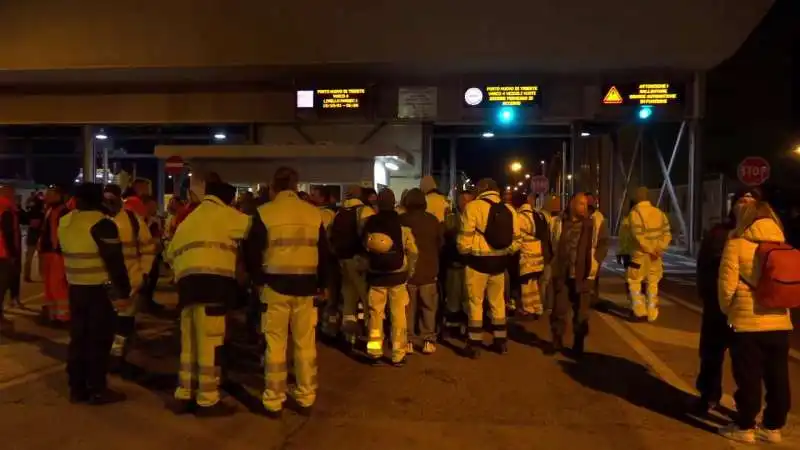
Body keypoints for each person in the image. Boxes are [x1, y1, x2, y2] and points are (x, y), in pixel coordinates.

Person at [243, 167, 330, 418]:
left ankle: (273, 399)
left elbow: (252, 252)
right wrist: (322, 284)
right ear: (296, 185)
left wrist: (258, 281)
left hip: (274, 287)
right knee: (305, 344)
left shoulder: (265, 213)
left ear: (273, 186)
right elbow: (324, 253)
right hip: (306, 289)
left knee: (275, 345)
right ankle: (306, 395)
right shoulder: (313, 214)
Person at [165, 181, 251, 417]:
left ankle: (184, 393)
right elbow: (254, 233)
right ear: (229, 199)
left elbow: (169, 254)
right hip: (214, 287)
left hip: (186, 289)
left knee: (189, 345)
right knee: (210, 345)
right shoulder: (229, 216)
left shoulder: (189, 220)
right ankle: (208, 399)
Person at [718, 200, 793, 444]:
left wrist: (730, 311)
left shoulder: (736, 245)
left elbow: (726, 288)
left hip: (747, 323)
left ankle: (745, 426)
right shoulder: (783, 246)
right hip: (780, 322)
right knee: (778, 376)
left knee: (748, 376)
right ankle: (772, 427)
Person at [59, 183, 131, 405]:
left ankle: (77, 388)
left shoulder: (65, 221)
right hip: (98, 290)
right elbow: (115, 262)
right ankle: (98, 388)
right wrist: (124, 291)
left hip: (75, 288)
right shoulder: (102, 224)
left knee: (78, 339)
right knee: (98, 341)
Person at [693, 190, 756, 416]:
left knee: (745, 363)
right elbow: (703, 266)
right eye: (741, 202)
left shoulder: (760, 235)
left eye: (750, 202)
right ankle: (708, 395)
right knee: (711, 355)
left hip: (746, 309)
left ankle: (745, 408)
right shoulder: (719, 233)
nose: (745, 207)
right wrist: (708, 295)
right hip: (717, 306)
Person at [457, 179, 519, 359]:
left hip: (477, 264)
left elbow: (464, 240)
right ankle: (501, 341)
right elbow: (517, 240)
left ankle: (474, 343)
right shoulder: (509, 209)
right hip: (499, 264)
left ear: (481, 189)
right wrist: (504, 252)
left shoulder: (473, 207)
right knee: (498, 302)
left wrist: (467, 253)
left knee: (475, 303)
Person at [103, 185, 157, 375]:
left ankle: (117, 357)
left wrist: (143, 274)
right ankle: (106, 357)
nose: (109, 203)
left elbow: (148, 248)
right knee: (106, 324)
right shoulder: (98, 220)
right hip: (104, 283)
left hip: (130, 282)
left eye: (112, 199)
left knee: (123, 324)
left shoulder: (133, 220)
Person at [362, 188, 418, 366]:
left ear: (378, 203)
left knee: (375, 315)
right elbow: (413, 251)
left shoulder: (370, 223)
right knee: (398, 315)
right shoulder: (402, 224)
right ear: (393, 203)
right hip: (398, 276)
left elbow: (364, 248)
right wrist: (409, 270)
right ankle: (398, 354)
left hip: (376, 276)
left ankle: (374, 352)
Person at [548, 193, 602, 357]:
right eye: (581, 204)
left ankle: (578, 345)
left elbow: (603, 244)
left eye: (586, 205)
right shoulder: (557, 222)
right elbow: (551, 243)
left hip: (584, 274)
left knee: (581, 313)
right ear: (572, 204)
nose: (584, 207)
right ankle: (557, 341)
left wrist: (595, 261)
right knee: (559, 309)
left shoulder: (595, 223)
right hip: (563, 273)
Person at [328, 185, 375, 348]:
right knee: (368, 299)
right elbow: (371, 238)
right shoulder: (364, 211)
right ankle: (372, 335)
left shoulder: (339, 213)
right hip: (358, 261)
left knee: (348, 299)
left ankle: (349, 335)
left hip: (342, 261)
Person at [400, 188, 444, 354]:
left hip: (408, 272)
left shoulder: (402, 220)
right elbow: (441, 243)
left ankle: (409, 340)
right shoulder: (432, 220)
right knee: (428, 307)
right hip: (429, 270)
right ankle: (428, 340)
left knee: (408, 308)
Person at [625, 187, 672, 322]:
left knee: (634, 281)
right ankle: (652, 311)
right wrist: (658, 248)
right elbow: (667, 233)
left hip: (639, 255)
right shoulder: (659, 213)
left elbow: (638, 236)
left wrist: (650, 249)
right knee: (653, 282)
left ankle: (639, 311)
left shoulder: (635, 214)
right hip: (656, 256)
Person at [38, 185, 71, 325]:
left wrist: (58, 249)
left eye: (50, 194)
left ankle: (62, 317)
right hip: (49, 252)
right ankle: (52, 314)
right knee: (50, 285)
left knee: (57, 285)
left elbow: (61, 234)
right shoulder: (51, 210)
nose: (47, 196)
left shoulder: (63, 211)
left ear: (58, 195)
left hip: (56, 252)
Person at [442, 190, 473, 335]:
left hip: (470, 265)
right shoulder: (451, 218)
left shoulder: (475, 218)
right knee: (453, 297)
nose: (465, 203)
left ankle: (467, 325)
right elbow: (445, 239)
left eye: (468, 200)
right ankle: (452, 326)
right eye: (463, 200)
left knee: (468, 298)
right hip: (453, 264)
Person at [512, 192, 545, 318]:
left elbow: (515, 236)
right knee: (534, 284)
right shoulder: (537, 215)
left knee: (526, 286)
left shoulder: (519, 217)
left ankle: (528, 310)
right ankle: (537, 308)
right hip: (538, 256)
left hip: (526, 256)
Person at [0, 184, 21, 328]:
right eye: (13, 194)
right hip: (3, 253)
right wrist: (13, 254)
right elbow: (8, 234)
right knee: (1, 287)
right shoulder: (6, 210)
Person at [584, 193, 609, 306]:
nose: (589, 203)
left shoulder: (599, 217)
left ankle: (593, 300)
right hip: (580, 254)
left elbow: (604, 240)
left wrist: (599, 257)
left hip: (594, 254)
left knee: (594, 280)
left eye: (590, 200)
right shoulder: (579, 214)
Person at [23, 195, 45, 282]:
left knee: (30, 258)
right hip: (37, 237)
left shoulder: (31, 212)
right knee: (40, 259)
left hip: (33, 237)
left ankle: (27, 276)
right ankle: (42, 275)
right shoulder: (41, 214)